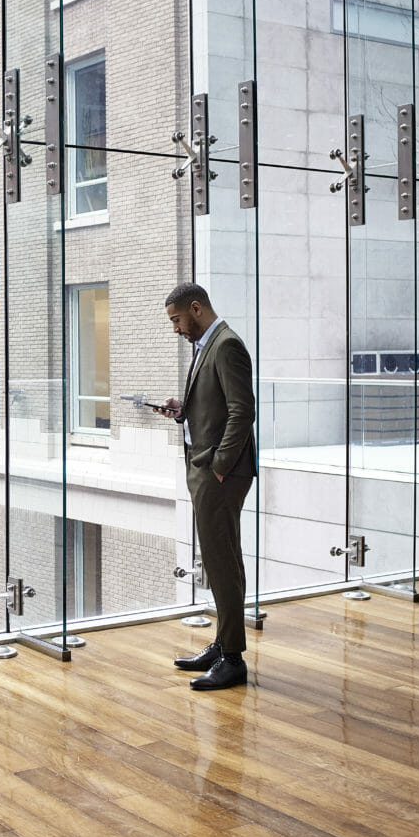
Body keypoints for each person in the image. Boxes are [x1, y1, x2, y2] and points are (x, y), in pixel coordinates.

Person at [153, 282, 257, 690]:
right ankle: (223, 643)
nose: (175, 329)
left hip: (220, 474)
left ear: (196, 309)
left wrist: (219, 467)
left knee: (222, 562)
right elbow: (214, 407)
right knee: (218, 561)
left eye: (177, 320)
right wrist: (184, 411)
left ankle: (233, 659)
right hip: (206, 468)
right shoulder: (207, 346)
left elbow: (241, 412)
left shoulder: (227, 345)